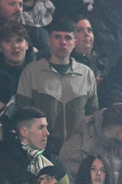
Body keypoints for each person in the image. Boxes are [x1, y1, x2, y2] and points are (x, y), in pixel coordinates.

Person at [15, 17, 98, 156]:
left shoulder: (86, 74)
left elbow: (92, 117)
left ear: (75, 42)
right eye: (57, 37)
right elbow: (22, 115)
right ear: (49, 41)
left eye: (68, 38)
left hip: (77, 153)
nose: (63, 42)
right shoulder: (32, 72)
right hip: (41, 152)